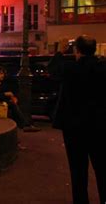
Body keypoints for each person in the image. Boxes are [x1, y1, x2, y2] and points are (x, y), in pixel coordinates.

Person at [52, 35, 106, 204]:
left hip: (74, 128)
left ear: (77, 50)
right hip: (100, 126)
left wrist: (60, 51)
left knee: (78, 170)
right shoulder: (103, 68)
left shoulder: (71, 69)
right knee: (103, 167)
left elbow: (53, 69)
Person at [0, 66, 40, 132]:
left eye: (3, 73)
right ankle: (24, 125)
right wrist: (6, 95)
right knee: (12, 106)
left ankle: (22, 125)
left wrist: (8, 98)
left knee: (11, 105)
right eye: (1, 73)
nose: (3, 75)